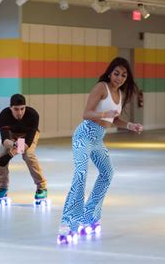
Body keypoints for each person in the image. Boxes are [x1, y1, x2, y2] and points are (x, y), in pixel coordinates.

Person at [57, 57, 143, 244]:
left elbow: (115, 119)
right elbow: (86, 113)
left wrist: (130, 125)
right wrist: (105, 114)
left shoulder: (119, 94)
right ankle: (68, 224)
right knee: (80, 175)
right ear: (110, 72)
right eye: (116, 73)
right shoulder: (101, 87)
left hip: (98, 139)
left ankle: (90, 216)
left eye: (123, 75)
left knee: (107, 172)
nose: (119, 78)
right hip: (84, 134)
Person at [0, 94, 48, 205]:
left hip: (28, 136)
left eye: (22, 108)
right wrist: (12, 147)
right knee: (0, 155)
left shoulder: (33, 115)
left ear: (25, 107)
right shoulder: (3, 115)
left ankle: (41, 187)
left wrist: (10, 155)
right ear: (10, 108)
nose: (19, 112)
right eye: (16, 109)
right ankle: (2, 187)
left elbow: (27, 144)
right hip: (11, 136)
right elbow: (5, 140)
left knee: (28, 155)